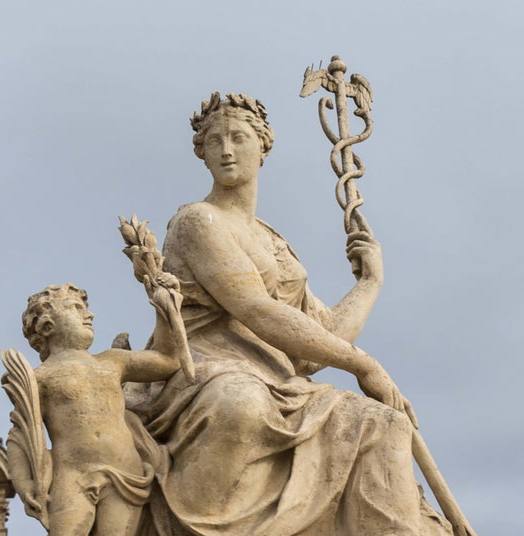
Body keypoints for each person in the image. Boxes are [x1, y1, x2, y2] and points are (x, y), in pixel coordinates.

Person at [140, 93, 449, 535]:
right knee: (243, 403)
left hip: (281, 380)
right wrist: (363, 365)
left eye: (238, 138)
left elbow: (318, 340)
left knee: (384, 423)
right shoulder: (197, 221)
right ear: (201, 153)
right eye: (214, 141)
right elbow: (256, 309)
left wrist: (369, 283)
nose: (226, 150)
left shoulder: (272, 241)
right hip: (209, 371)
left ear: (263, 147)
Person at [14, 279, 182, 536]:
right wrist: (24, 483)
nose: (89, 315)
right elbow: (20, 436)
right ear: (47, 326)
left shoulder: (113, 361)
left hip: (125, 471)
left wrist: (164, 308)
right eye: (76, 308)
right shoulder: (38, 378)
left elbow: (168, 361)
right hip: (72, 476)